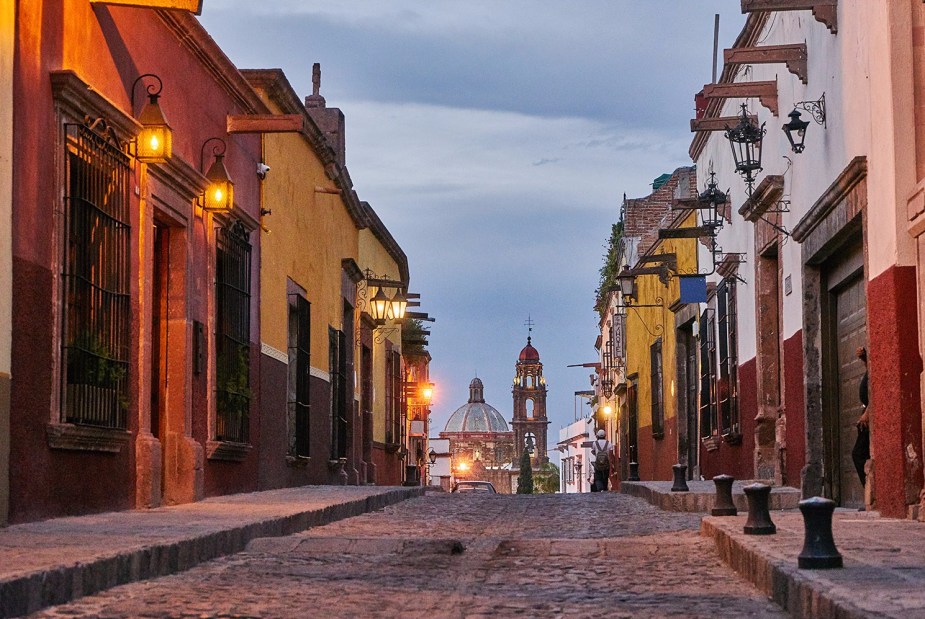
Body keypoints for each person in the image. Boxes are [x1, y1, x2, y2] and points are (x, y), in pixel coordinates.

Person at [851, 346, 871, 494]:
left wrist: (867, 413)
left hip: (869, 416)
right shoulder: (869, 367)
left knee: (858, 453)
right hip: (866, 414)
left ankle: (869, 491)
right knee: (861, 453)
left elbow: (875, 390)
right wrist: (864, 358)